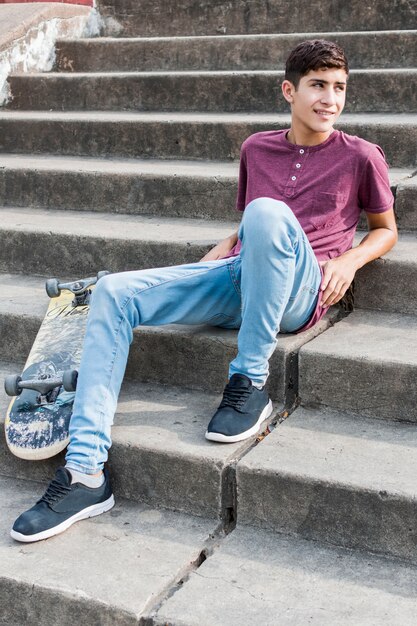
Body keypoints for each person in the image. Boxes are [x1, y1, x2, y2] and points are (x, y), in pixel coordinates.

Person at [11, 39, 397, 542]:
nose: (330, 99)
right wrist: (229, 241)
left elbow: (385, 229)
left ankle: (249, 381)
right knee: (113, 292)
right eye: (318, 86)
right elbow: (251, 223)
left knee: (265, 211)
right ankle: (85, 473)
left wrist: (351, 258)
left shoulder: (361, 156)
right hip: (241, 277)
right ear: (289, 90)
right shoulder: (257, 148)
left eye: (340, 88)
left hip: (303, 289)